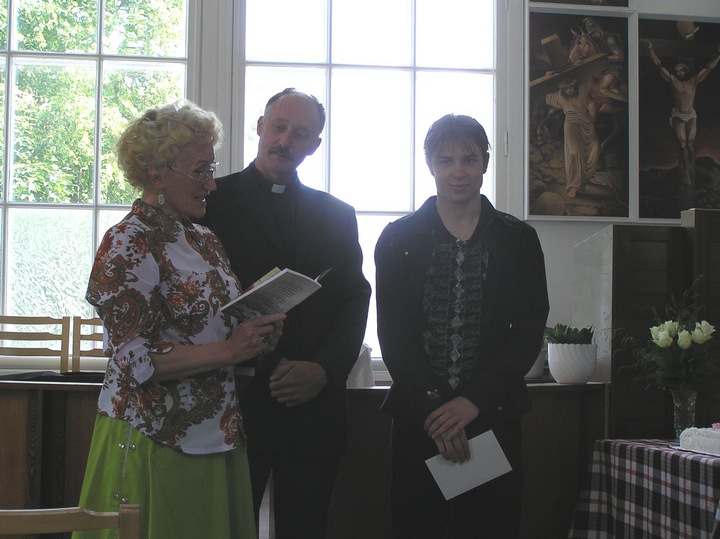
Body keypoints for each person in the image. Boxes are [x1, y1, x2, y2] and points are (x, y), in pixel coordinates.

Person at [73, 100, 285, 539]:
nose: (211, 184)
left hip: (218, 431)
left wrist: (255, 330)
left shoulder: (203, 238)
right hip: (155, 436)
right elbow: (137, 361)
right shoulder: (128, 242)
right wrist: (230, 349)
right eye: (200, 171)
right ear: (157, 174)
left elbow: (212, 326)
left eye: (212, 169)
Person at [199, 88, 371, 538]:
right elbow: (196, 297)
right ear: (260, 126)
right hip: (235, 401)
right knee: (228, 529)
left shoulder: (337, 214)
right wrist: (270, 362)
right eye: (279, 127)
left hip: (314, 407)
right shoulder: (210, 202)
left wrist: (323, 369)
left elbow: (354, 298)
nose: (285, 141)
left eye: (300, 134)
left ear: (315, 145)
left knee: (306, 529)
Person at [375, 114, 549, 538]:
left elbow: (528, 330)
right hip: (420, 420)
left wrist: (472, 402)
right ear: (429, 164)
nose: (458, 171)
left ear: (485, 162)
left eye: (469, 159)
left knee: (490, 528)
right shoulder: (398, 238)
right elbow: (394, 335)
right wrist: (436, 411)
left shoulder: (518, 239)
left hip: (493, 416)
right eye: (446, 160)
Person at [645, 40, 720, 186]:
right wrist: (650, 50)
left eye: (682, 70)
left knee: (690, 145)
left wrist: (718, 55)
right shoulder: (673, 81)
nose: (679, 72)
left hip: (691, 115)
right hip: (678, 115)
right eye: (677, 70)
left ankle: (689, 169)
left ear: (686, 71)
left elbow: (708, 68)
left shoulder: (693, 81)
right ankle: (685, 171)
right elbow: (659, 65)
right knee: (683, 144)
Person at [543, 76, 601, 198]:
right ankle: (574, 185)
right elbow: (547, 97)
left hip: (585, 121)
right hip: (571, 122)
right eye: (567, 88)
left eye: (571, 87)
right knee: (574, 150)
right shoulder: (559, 95)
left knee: (594, 146)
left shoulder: (582, 89)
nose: (570, 90)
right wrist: (548, 77)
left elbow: (591, 77)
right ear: (563, 89)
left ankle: (588, 176)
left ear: (575, 86)